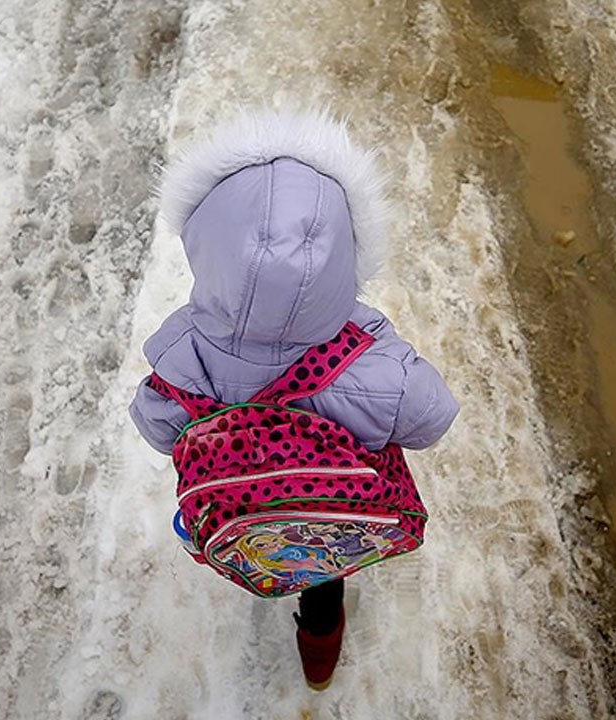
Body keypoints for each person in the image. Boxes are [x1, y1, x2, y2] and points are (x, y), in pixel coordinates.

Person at [128, 110, 459, 690]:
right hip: (327, 510)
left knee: (264, 539)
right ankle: (319, 661)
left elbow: (156, 424)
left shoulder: (183, 352)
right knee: (322, 573)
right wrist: (379, 342)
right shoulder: (370, 365)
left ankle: (260, 565)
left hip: (239, 508)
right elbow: (432, 417)